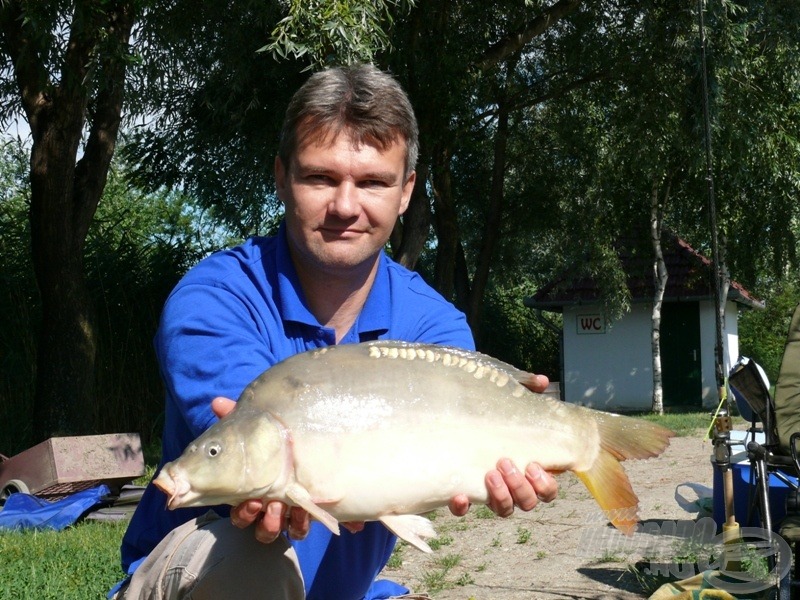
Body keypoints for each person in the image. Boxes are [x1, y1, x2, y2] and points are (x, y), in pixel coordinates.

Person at [112, 63, 558, 600]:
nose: (345, 206)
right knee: (249, 554)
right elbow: (254, 458)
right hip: (208, 574)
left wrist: (506, 467)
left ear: (406, 191)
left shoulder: (434, 327)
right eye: (321, 178)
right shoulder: (214, 298)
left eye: (372, 182)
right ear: (281, 177)